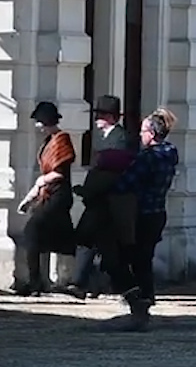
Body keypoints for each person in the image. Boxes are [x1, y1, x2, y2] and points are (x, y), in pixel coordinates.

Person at [103, 107, 179, 331]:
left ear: (153, 133)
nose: (140, 135)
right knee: (144, 259)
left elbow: (125, 183)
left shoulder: (148, 158)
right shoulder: (170, 153)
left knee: (125, 259)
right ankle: (145, 298)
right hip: (158, 213)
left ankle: (140, 301)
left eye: (144, 130)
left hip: (140, 214)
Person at [63, 95, 128, 299]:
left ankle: (81, 283)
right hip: (96, 198)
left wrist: (93, 190)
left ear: (110, 116)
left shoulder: (120, 138)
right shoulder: (102, 137)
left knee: (88, 239)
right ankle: (93, 284)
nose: (97, 119)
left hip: (106, 199)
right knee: (97, 243)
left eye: (100, 115)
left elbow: (113, 171)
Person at [14, 102, 78, 297]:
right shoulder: (48, 141)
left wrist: (38, 185)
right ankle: (49, 280)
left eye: (40, 121)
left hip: (58, 195)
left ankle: (35, 283)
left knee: (31, 232)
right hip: (49, 195)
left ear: (48, 121)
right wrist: (32, 197)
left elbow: (58, 173)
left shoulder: (62, 140)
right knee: (54, 237)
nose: (38, 126)